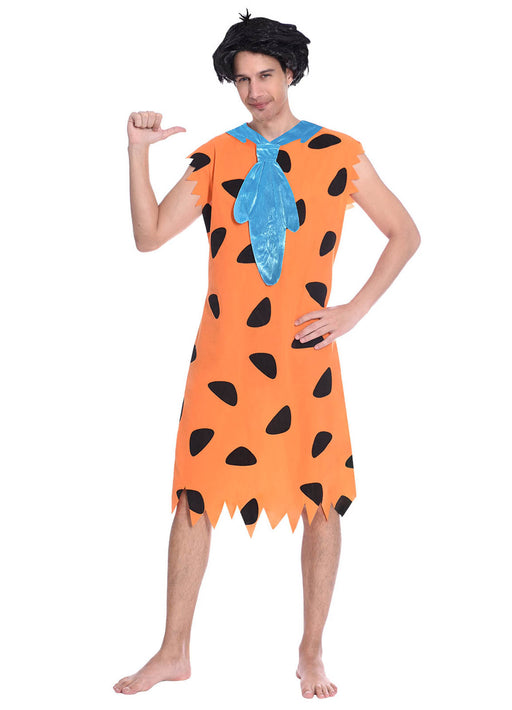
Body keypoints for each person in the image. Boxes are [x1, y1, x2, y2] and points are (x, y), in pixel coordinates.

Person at [114, 9, 421, 700]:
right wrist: (137, 153)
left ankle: (311, 652)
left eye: (266, 76)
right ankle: (173, 651)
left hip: (304, 354)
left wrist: (352, 311)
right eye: (243, 80)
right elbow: (149, 235)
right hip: (223, 355)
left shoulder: (339, 152)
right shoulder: (216, 156)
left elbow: (405, 233)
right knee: (193, 494)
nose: (255, 92)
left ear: (291, 74)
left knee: (322, 498)